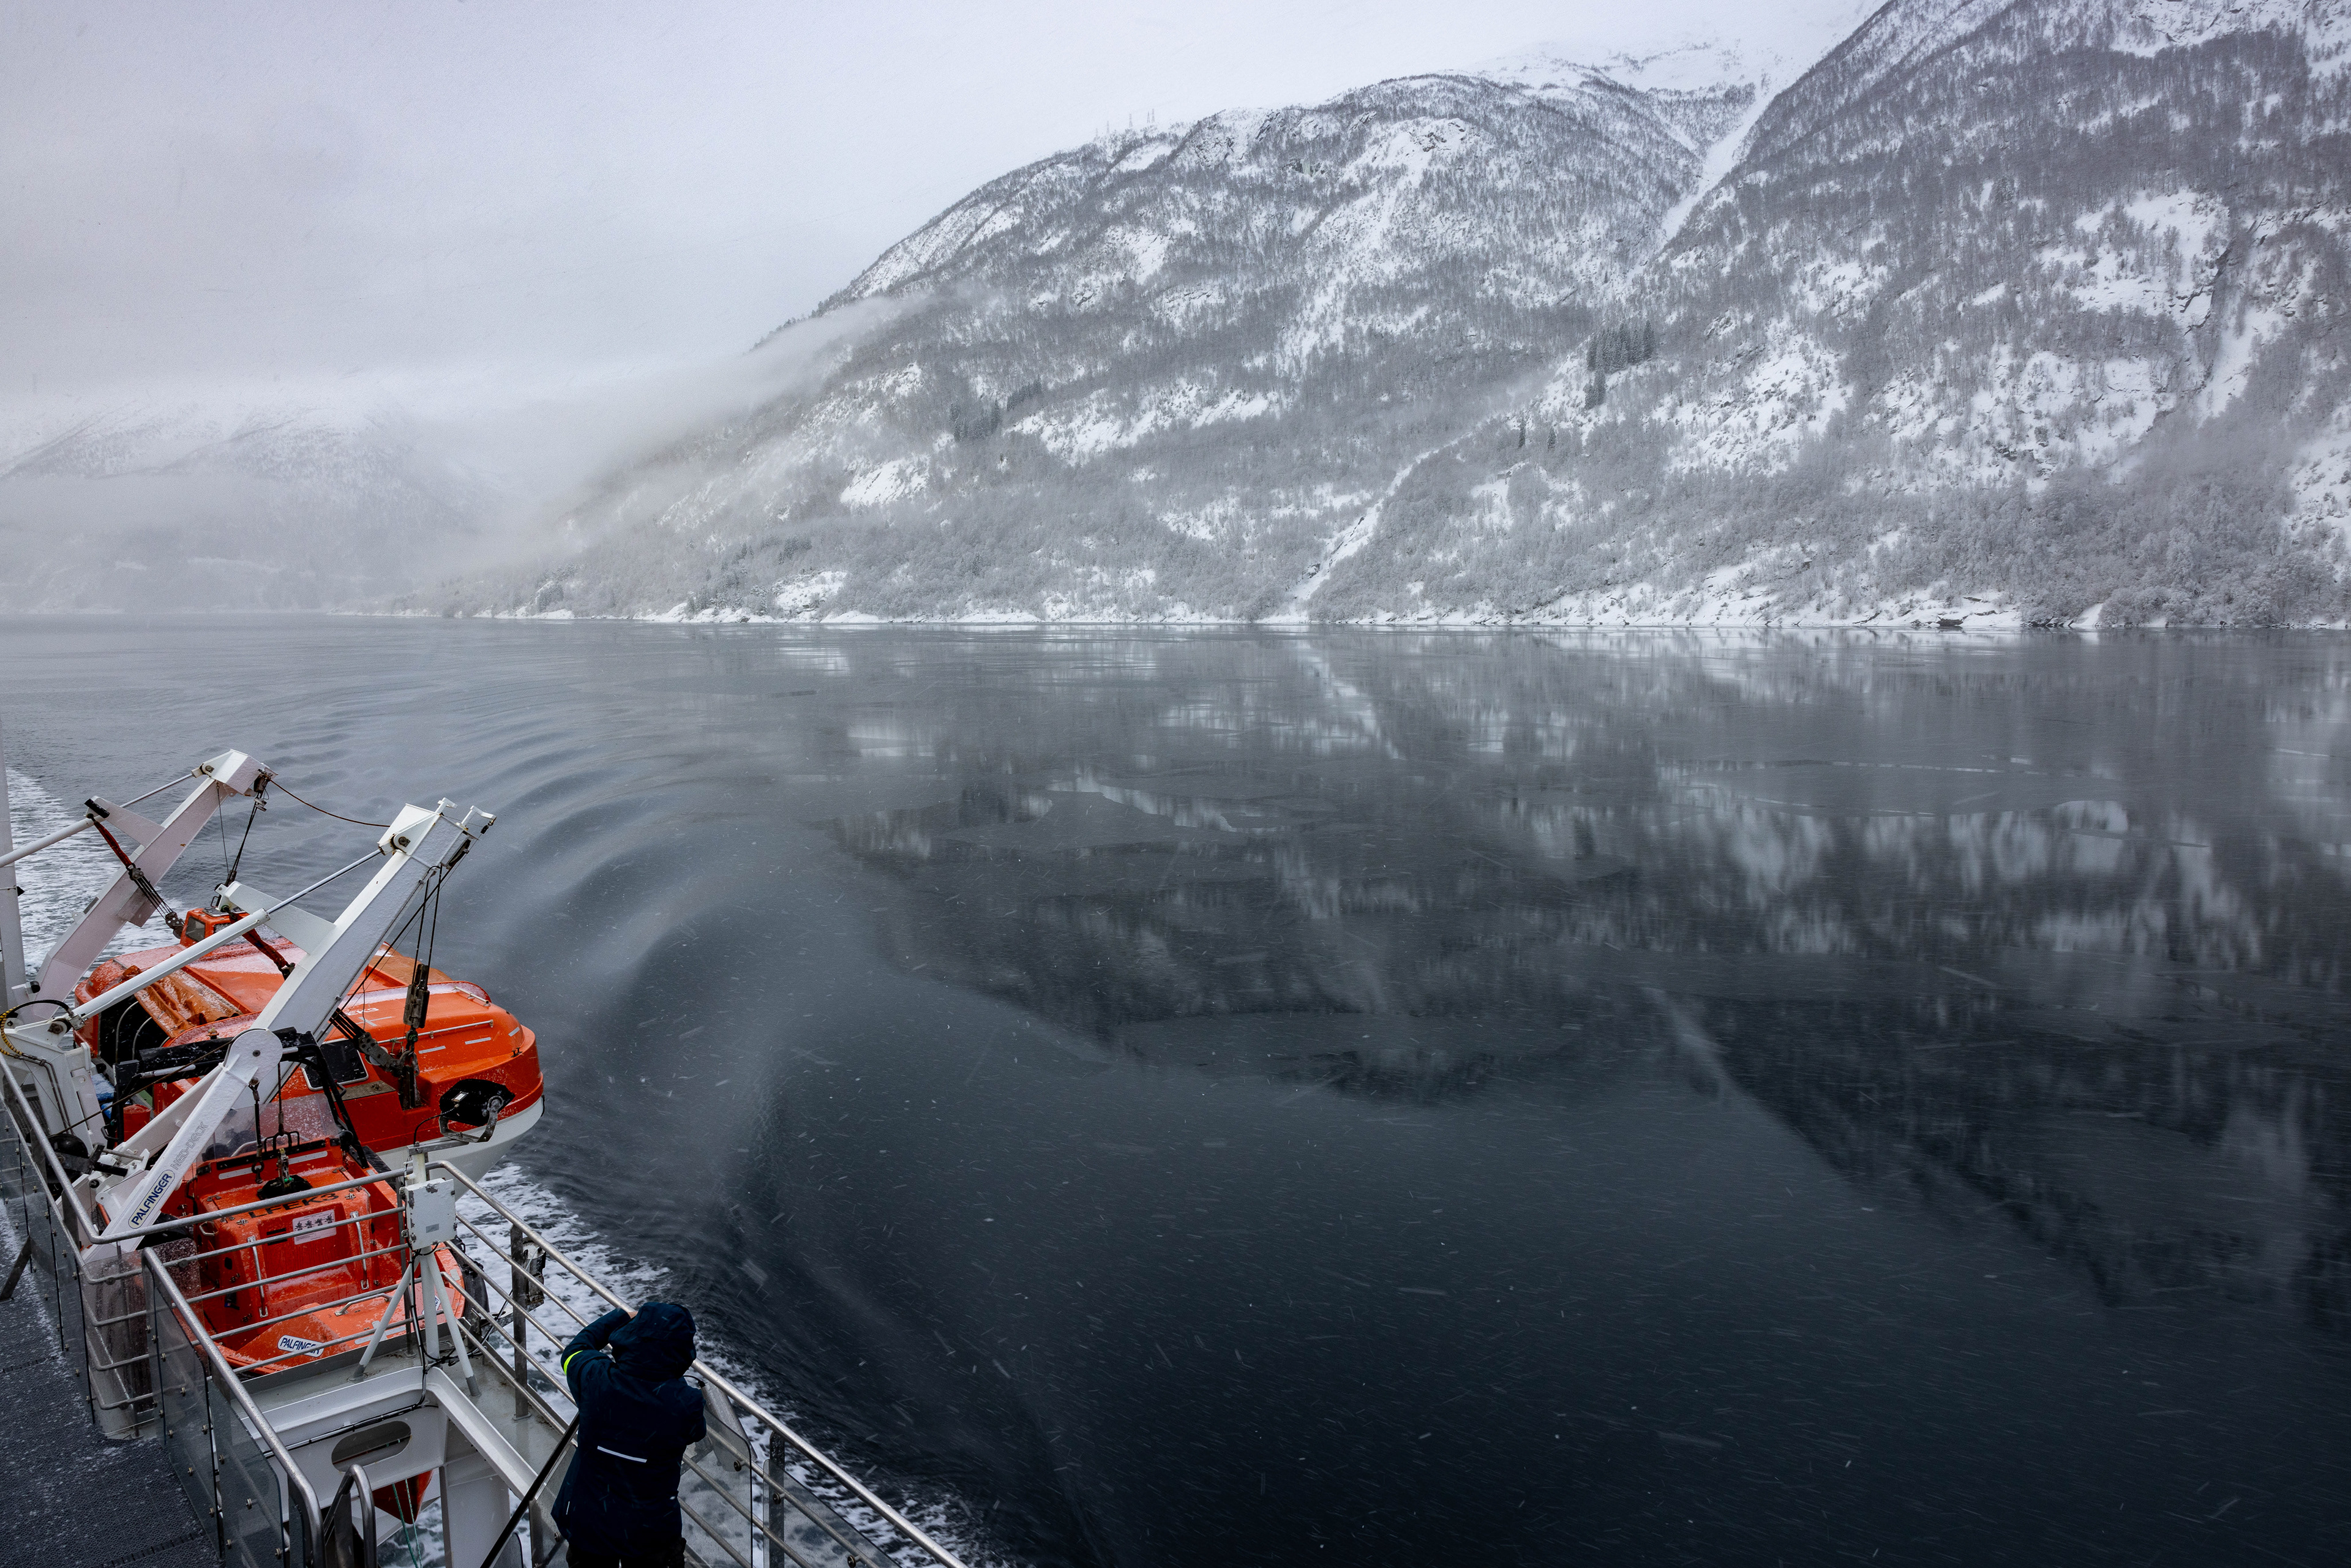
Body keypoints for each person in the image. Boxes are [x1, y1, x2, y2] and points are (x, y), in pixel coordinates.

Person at [553, 1300, 707, 1568]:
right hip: (649, 1533)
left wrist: (620, 1316)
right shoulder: (686, 1404)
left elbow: (573, 1351)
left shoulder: (595, 1380)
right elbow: (696, 1432)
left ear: (631, 1336)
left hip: (589, 1523)